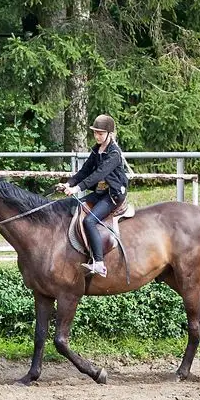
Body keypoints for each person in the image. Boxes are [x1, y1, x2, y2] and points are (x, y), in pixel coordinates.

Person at [57, 113, 129, 277]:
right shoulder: (97, 150)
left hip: (112, 196)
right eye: (95, 132)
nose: (97, 136)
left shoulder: (114, 154)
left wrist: (78, 188)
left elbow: (98, 174)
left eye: (100, 133)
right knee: (75, 208)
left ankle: (99, 263)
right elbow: (85, 171)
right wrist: (69, 183)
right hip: (99, 193)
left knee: (89, 220)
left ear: (109, 134)